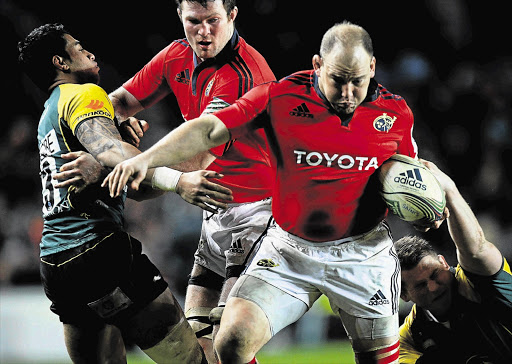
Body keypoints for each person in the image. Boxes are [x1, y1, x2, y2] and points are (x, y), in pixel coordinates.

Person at [104, 21, 419, 363]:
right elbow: (210, 129)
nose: (347, 93)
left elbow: (412, 175)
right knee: (231, 342)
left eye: (357, 81)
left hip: (363, 255)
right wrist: (146, 160)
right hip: (290, 250)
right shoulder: (281, 96)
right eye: (337, 80)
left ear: (371, 68)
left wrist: (434, 207)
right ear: (317, 65)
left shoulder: (396, 113)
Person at [18, 23, 210, 363]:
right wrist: (178, 180)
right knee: (190, 360)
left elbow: (132, 187)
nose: (88, 52)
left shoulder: (49, 113)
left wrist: (126, 149)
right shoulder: (84, 93)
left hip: (56, 265)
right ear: (60, 63)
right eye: (77, 47)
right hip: (99, 249)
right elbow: (109, 152)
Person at [106, 1, 276, 361]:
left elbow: (196, 157)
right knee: (200, 342)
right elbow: (117, 101)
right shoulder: (176, 55)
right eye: (194, 21)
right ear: (180, 17)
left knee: (229, 339)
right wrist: (115, 121)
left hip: (257, 214)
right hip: (214, 214)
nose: (204, 32)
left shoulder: (245, 76)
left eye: (213, 20)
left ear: (232, 15)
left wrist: (140, 173)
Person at [395, 160, 512, 364]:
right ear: (404, 295)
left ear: (443, 262)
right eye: (421, 285)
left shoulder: (477, 282)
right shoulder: (410, 338)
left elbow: (476, 249)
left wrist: (449, 192)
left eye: (434, 275)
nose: (433, 287)